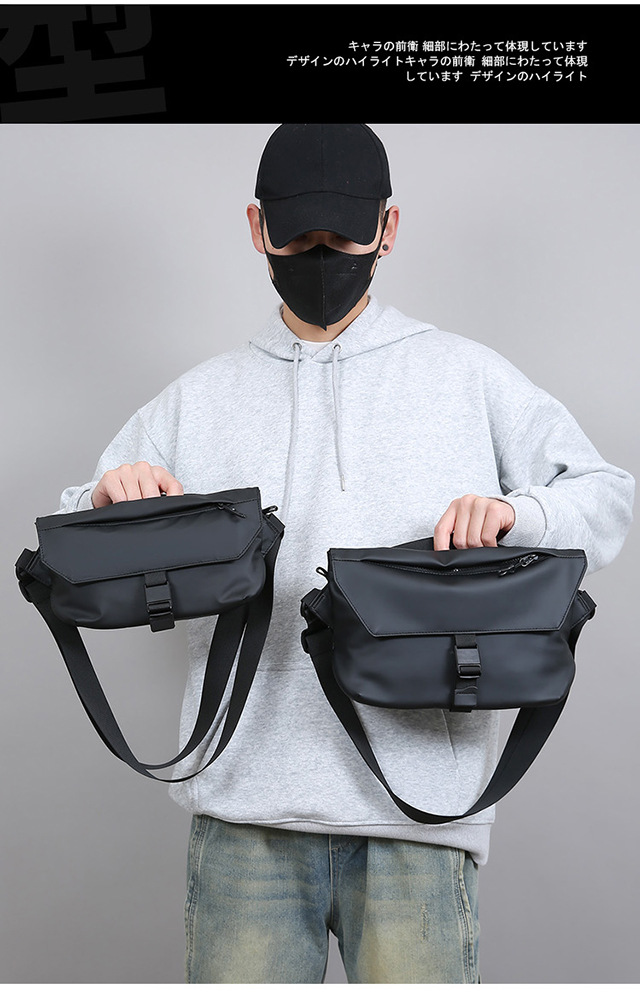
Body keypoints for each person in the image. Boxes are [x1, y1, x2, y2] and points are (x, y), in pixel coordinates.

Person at [57, 124, 634, 984]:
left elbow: (608, 494)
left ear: (388, 229)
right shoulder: (198, 398)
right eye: (298, 237)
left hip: (420, 818)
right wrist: (110, 499)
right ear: (257, 228)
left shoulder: (467, 376)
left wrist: (519, 512)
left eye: (345, 234)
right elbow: (72, 528)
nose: (321, 255)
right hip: (244, 818)